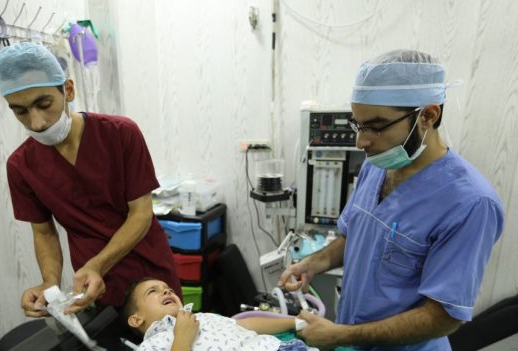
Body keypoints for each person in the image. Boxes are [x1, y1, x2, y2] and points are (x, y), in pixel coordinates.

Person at [279, 49, 504, 350]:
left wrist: (341, 335)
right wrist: (313, 263)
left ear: (428, 115)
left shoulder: (470, 204)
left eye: (375, 126)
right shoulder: (378, 165)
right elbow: (359, 236)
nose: (362, 141)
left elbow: (444, 317)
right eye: (358, 125)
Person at [0, 42, 181, 316]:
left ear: (68, 90)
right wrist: (50, 283)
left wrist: (98, 264)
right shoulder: (21, 166)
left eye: (44, 104)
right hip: (92, 284)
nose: (37, 123)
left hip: (148, 271)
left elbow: (140, 214)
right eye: (20, 111)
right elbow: (43, 232)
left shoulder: (120, 134)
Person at [123, 277, 317, 351]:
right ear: (136, 319)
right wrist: (181, 339)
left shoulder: (202, 318)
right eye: (152, 291)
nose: (167, 291)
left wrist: (296, 322)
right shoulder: (151, 346)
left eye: (168, 288)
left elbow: (246, 325)